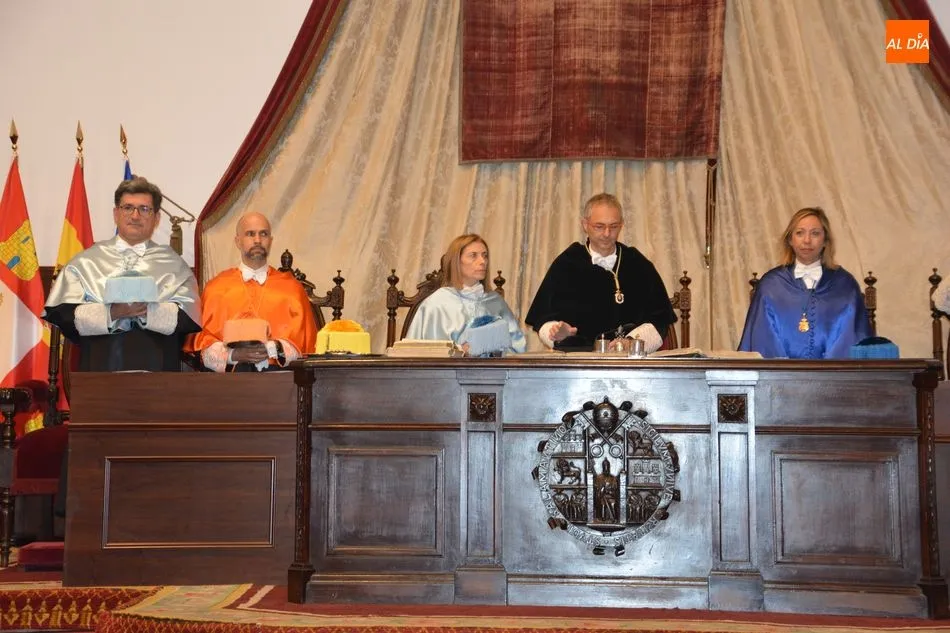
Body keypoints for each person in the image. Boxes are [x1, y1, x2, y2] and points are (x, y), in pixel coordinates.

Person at [43, 176, 201, 371]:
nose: (135, 216)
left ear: (157, 218)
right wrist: (112, 313)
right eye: (128, 208)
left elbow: (188, 320)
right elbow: (63, 315)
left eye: (144, 209)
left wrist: (147, 312)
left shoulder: (175, 265)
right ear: (116, 214)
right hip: (98, 372)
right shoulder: (86, 261)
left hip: (159, 374)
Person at [525, 193, 676, 352]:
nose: (606, 233)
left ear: (621, 225)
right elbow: (542, 318)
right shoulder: (567, 263)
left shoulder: (637, 264)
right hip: (579, 360)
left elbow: (660, 321)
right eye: (599, 226)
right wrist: (557, 334)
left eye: (614, 226)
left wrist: (631, 343)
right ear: (585, 225)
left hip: (628, 361)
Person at [186, 212, 318, 371]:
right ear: (238, 241)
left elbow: (305, 346)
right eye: (250, 234)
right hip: (228, 381)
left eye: (264, 234)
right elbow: (203, 347)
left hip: (280, 379)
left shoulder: (292, 289)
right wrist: (233, 355)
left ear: (270, 241)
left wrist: (272, 348)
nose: (257, 240)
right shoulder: (216, 288)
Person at [738, 206, 871, 359]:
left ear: (825, 241)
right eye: (800, 233)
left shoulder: (846, 286)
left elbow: (852, 341)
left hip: (834, 373)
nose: (807, 240)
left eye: (815, 233)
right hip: (778, 373)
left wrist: (827, 370)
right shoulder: (770, 285)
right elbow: (761, 341)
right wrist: (784, 370)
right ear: (790, 240)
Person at [405, 234, 526, 355]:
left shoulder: (495, 302)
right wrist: (460, 351)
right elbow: (417, 354)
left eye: (485, 256)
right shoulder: (436, 304)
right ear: (456, 261)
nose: (483, 261)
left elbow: (518, 349)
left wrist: (494, 349)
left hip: (492, 368)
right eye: (473, 255)